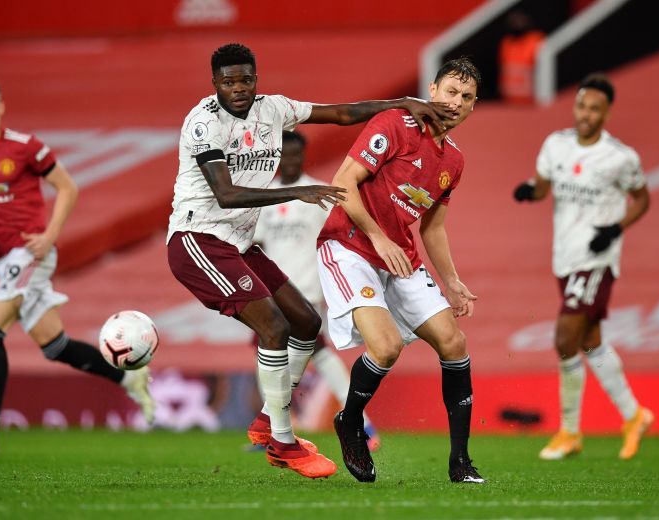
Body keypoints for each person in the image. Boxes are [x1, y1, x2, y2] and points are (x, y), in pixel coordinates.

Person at [166, 43, 454, 479]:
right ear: (215, 84)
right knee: (275, 327)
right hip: (198, 241)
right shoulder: (203, 122)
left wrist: (400, 104)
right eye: (229, 81)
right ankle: (282, 442)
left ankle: (267, 419)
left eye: (246, 79)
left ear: (256, 77)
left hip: (239, 245)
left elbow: (338, 114)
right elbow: (225, 194)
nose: (239, 88)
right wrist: (295, 190)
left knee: (304, 321)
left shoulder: (274, 109)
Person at [0, 77, 155, 456]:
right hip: (4, 258)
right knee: (55, 346)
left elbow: (67, 187)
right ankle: (128, 378)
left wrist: (49, 234)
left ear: (0, 107)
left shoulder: (25, 147)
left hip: (31, 252)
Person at [316, 57, 484, 484]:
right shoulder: (396, 123)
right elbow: (343, 183)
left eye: (465, 97)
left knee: (453, 341)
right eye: (450, 91)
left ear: (472, 106)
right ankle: (350, 422)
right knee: (386, 346)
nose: (456, 101)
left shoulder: (455, 161)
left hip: (398, 257)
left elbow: (434, 227)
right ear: (432, 90)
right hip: (350, 245)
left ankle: (460, 462)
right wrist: (378, 237)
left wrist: (453, 281)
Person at [513, 72, 653, 460]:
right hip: (565, 256)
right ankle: (634, 414)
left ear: (607, 112)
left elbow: (642, 199)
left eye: (594, 108)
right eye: (581, 105)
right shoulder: (555, 145)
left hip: (596, 258)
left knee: (564, 339)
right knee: (590, 340)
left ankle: (570, 431)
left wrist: (615, 229)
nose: (586, 114)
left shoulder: (620, 158)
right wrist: (531, 190)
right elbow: (544, 185)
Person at [252, 130, 381, 452]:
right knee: (292, 351)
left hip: (306, 289)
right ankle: (279, 423)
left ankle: (359, 422)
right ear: (278, 157)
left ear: (303, 156)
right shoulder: (266, 197)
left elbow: (337, 234)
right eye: (286, 154)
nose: (291, 160)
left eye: (296, 155)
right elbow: (257, 242)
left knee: (316, 352)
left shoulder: (316, 195)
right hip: (273, 290)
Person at [498, 9, 545, 105]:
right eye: (514, 20)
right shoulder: (506, 42)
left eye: (521, 20)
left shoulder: (536, 40)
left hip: (532, 103)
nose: (517, 23)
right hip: (509, 102)